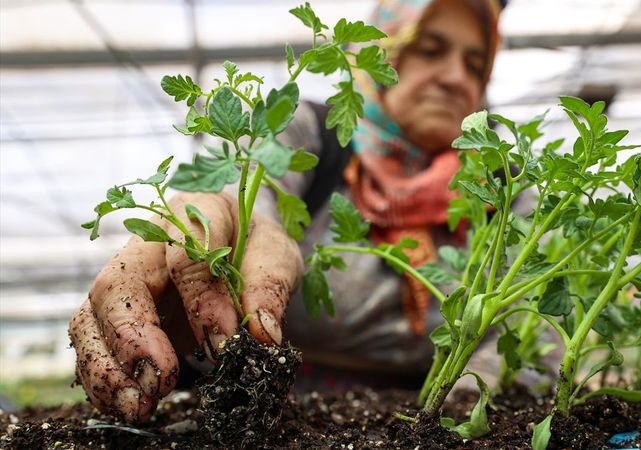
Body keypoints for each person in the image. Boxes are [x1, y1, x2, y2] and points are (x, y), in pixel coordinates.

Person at [69, 0, 504, 423]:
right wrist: (218, 211)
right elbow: (254, 171)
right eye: (429, 50)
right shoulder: (317, 133)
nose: (453, 76)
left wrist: (459, 421)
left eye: (475, 63)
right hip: (276, 412)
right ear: (384, 51)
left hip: (426, 418)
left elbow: (519, 343)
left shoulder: (502, 186)